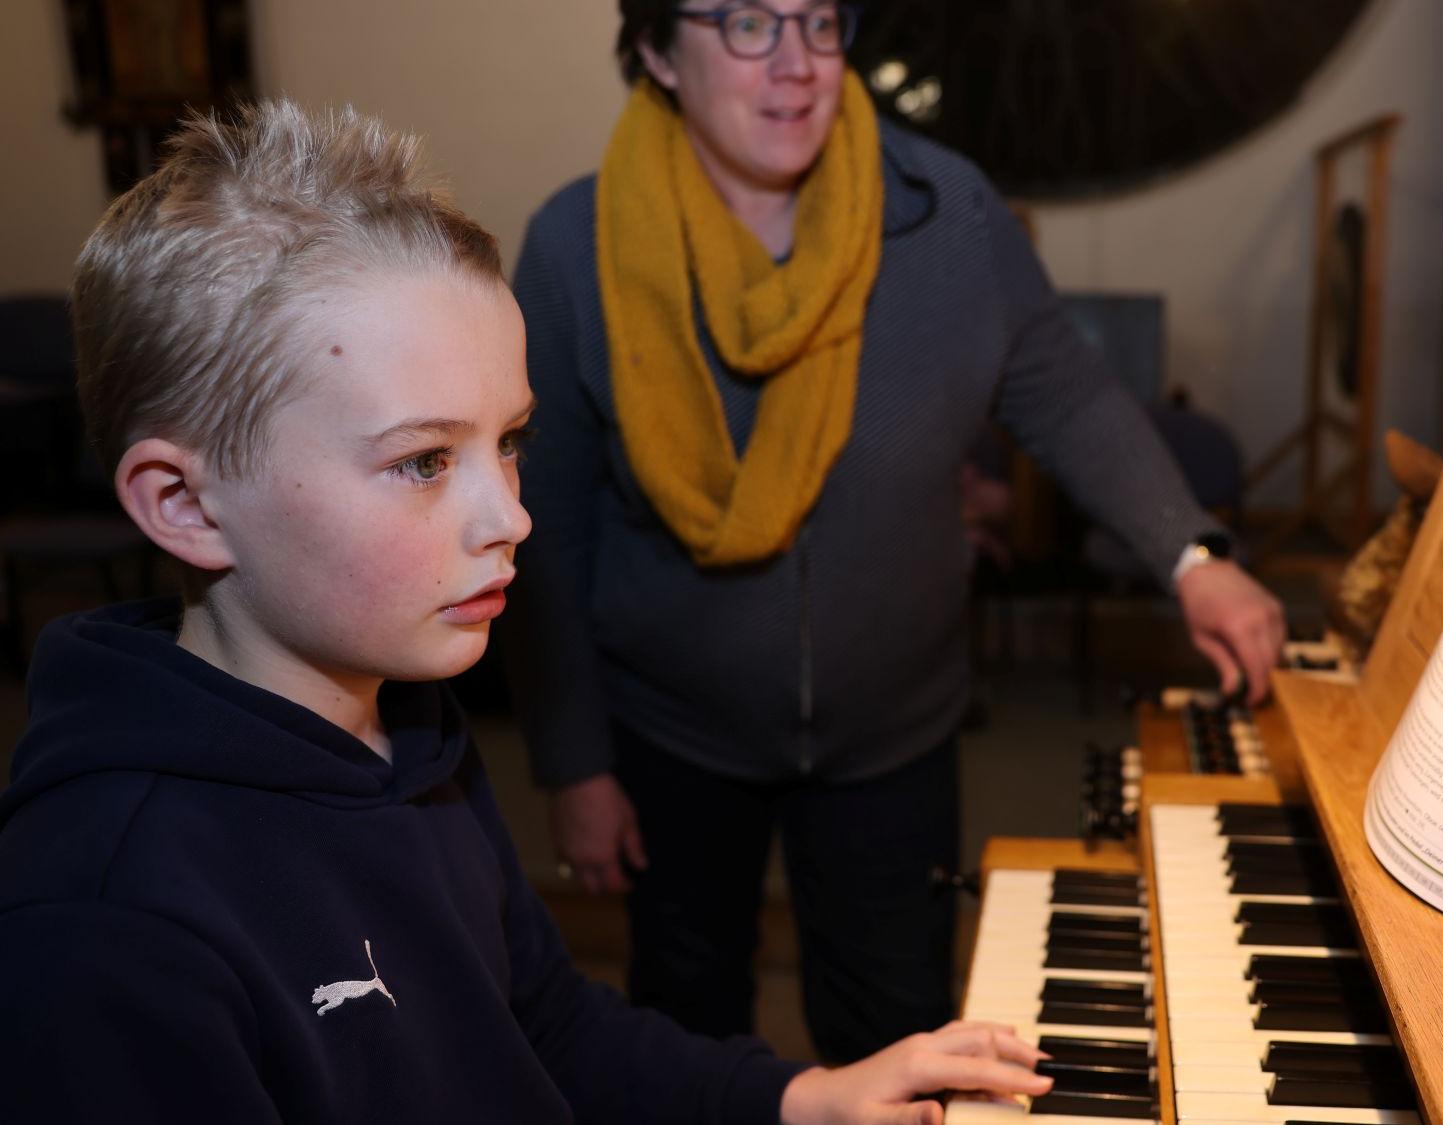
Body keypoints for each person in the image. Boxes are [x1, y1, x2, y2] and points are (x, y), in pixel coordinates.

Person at [0, 98, 1050, 1124]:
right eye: (422, 460)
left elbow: (543, 1031)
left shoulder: (409, 725)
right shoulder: (104, 920)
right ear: (184, 504)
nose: (510, 515)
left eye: (509, 442)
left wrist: (796, 1095)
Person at [503, 0, 1289, 1062]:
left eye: (818, 21)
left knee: (900, 1030)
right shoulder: (572, 247)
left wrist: (1193, 558)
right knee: (685, 1026)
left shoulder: (945, 212)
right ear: (655, 50)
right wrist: (575, 763)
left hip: (896, 740)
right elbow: (545, 532)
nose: (795, 65)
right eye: (745, 22)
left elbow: (1064, 393)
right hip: (670, 740)